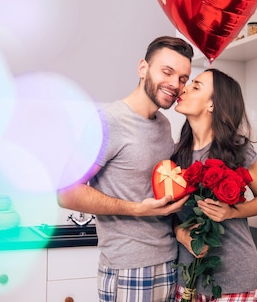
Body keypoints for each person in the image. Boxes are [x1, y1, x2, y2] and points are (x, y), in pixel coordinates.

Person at [57, 36, 194, 302]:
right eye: (167, 72)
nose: (175, 84)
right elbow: (65, 192)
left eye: (183, 78)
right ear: (143, 68)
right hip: (129, 269)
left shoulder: (164, 124)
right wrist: (136, 208)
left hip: (170, 262)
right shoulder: (107, 122)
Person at [170, 68, 257, 301]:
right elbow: (169, 213)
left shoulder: (237, 149)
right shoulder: (176, 155)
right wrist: (180, 233)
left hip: (234, 278)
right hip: (188, 280)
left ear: (212, 105)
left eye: (196, 87)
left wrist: (230, 212)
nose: (184, 88)